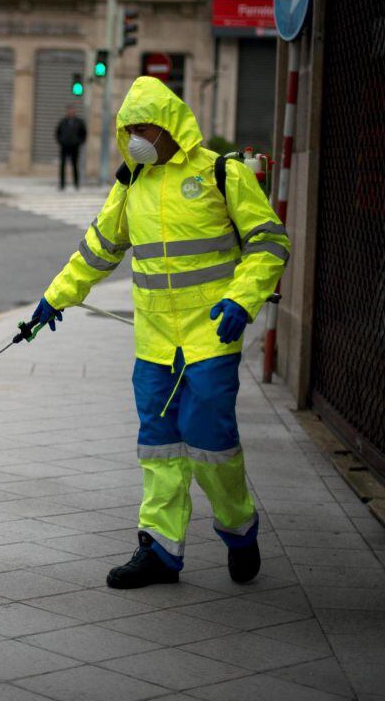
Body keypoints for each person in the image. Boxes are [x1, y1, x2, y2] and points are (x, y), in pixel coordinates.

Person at [31, 76, 289, 589]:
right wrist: (54, 298)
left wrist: (243, 298)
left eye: (141, 127)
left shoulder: (222, 173)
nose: (132, 139)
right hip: (154, 341)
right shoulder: (131, 185)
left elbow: (269, 241)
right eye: (126, 129)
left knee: (209, 439)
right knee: (159, 445)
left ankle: (239, 528)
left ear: (169, 124)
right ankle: (160, 551)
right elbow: (98, 250)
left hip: (211, 335)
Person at [55, 104, 87, 190]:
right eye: (69, 110)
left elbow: (84, 134)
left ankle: (76, 184)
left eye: (72, 110)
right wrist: (61, 141)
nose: (71, 112)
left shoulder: (79, 122)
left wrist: (79, 142)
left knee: (75, 166)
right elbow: (57, 133)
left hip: (74, 147)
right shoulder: (63, 122)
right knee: (62, 166)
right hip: (64, 147)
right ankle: (62, 185)